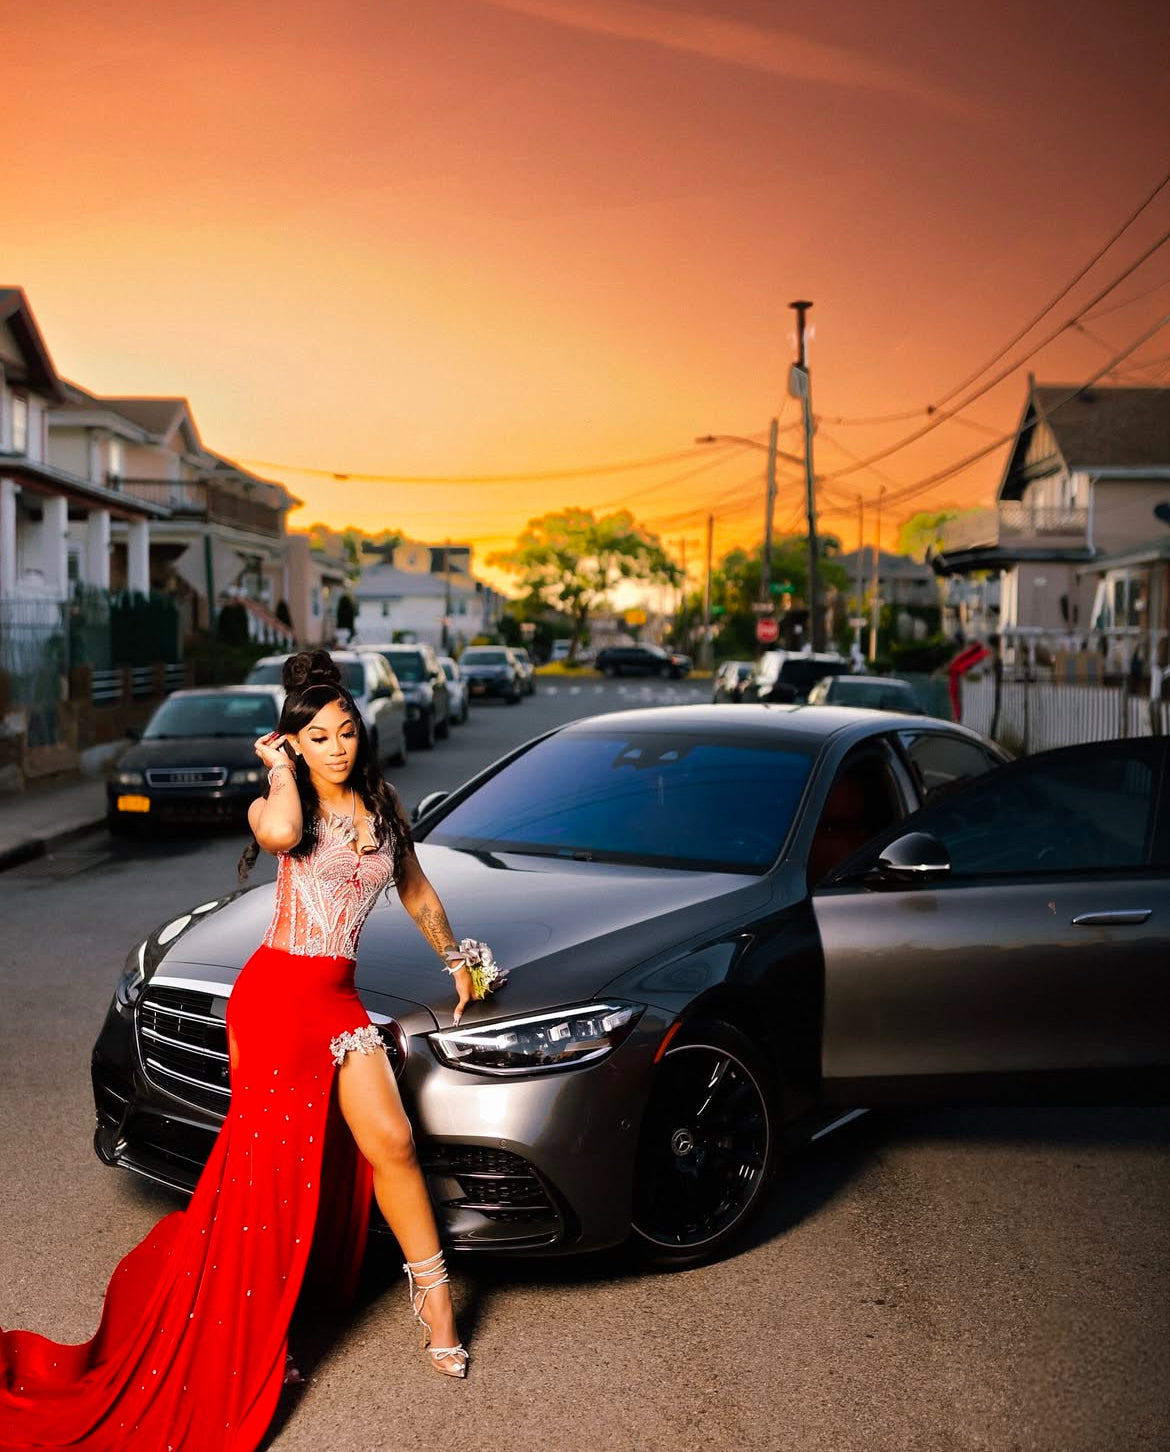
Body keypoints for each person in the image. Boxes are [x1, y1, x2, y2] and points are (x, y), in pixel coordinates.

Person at [0, 650, 498, 1451]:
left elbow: (412, 887)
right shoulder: (280, 801)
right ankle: (256, 1333)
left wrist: (454, 955)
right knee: (273, 1181)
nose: (339, 746)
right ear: (294, 743)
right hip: (274, 1004)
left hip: (335, 999)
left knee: (395, 1142)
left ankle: (436, 1300)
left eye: (346, 732)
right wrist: (283, 769)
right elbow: (287, 833)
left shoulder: (383, 801)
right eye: (320, 736)